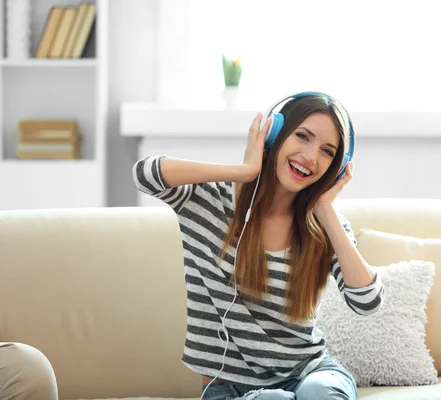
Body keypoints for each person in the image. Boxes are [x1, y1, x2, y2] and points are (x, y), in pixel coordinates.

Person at [132, 92, 384, 400]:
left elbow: (367, 301)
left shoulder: (325, 224)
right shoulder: (207, 200)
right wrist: (245, 171)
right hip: (226, 387)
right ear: (273, 133)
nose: (310, 156)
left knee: (319, 392)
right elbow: (145, 174)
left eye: (327, 152)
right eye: (302, 136)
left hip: (312, 374)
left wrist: (325, 209)